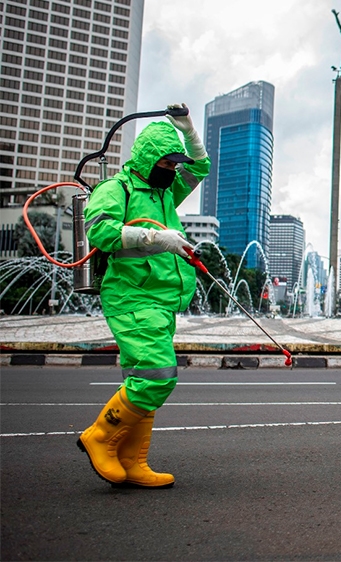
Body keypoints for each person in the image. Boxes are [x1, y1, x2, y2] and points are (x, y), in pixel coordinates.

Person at [77, 104, 210, 488]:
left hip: (162, 300)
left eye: (173, 165)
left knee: (141, 377)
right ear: (149, 158)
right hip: (132, 297)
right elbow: (100, 231)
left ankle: (134, 462)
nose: (172, 171)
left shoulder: (163, 193)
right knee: (157, 375)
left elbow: (199, 168)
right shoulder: (116, 188)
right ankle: (100, 436)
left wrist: (187, 128)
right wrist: (156, 238)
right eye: (166, 164)